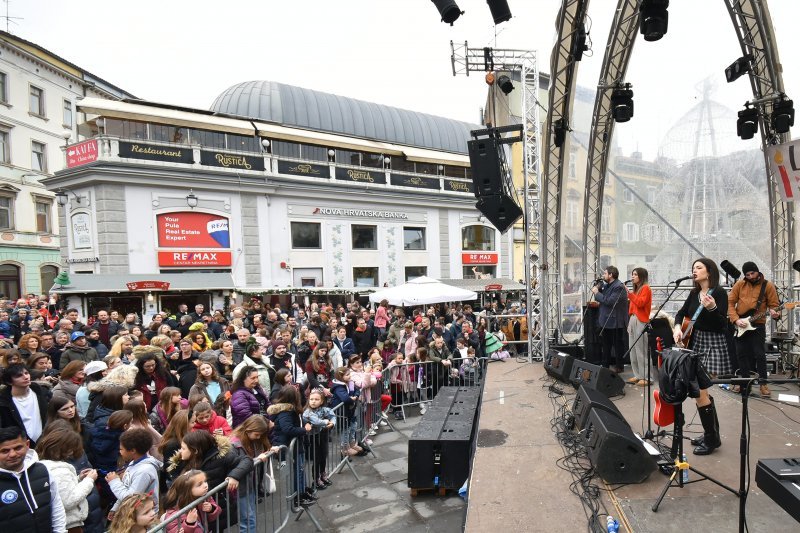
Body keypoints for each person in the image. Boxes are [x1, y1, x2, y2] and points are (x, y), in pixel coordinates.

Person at [672, 258, 727, 455]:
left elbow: (721, 324)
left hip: (712, 344)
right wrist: (678, 328)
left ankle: (711, 439)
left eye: (699, 267)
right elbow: (680, 314)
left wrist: (712, 308)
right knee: (702, 392)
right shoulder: (694, 293)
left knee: (699, 391)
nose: (694, 270)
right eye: (693, 267)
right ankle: (712, 435)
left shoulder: (719, 293)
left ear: (709, 272)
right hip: (695, 341)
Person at [165, 430, 253, 528]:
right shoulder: (179, 464)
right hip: (192, 516)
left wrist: (234, 476)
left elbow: (246, 460)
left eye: (183, 448)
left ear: (195, 451)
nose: (180, 451)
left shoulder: (219, 457)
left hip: (216, 511)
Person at [0, 426, 68, 532]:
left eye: (18, 448)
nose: (12, 454)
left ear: (27, 445)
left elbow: (56, 505)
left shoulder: (42, 471)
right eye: (5, 451)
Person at [728, 261, 780, 398]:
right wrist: (736, 319)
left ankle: (763, 384)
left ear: (757, 271)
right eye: (747, 274)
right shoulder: (739, 284)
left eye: (753, 273)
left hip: (758, 325)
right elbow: (730, 303)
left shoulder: (767, 285)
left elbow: (774, 305)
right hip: (741, 325)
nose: (751, 276)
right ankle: (745, 384)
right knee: (741, 355)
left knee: (759, 354)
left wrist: (775, 313)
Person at [36, 428, 98, 533]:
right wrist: (89, 480)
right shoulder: (60, 471)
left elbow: (60, 491)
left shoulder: (43, 466)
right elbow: (68, 500)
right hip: (69, 525)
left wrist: (78, 478)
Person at [266, 385, 314, 506]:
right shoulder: (285, 412)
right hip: (290, 446)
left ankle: (302, 491)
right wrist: (304, 430)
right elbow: (288, 429)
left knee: (301, 469)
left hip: (295, 444)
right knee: (298, 471)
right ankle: (298, 497)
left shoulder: (290, 410)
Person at [107, 428, 162, 515]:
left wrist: (114, 482)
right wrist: (116, 508)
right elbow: (127, 487)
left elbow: (130, 498)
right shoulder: (133, 463)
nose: (120, 452)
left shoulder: (144, 471)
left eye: (121, 449)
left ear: (133, 451)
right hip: (133, 515)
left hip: (144, 517)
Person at [591, 265, 629, 373]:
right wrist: (598, 289)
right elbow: (601, 298)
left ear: (611, 275)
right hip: (606, 321)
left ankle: (619, 367)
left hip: (615, 321)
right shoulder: (607, 285)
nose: (603, 275)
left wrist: (597, 293)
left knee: (617, 346)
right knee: (606, 345)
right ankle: (605, 366)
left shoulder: (618, 286)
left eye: (605, 273)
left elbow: (609, 301)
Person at [0, 364, 49, 447]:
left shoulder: (40, 392)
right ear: (9, 382)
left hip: (44, 441)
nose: (26, 377)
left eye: (26, 373)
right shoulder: (3, 402)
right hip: (19, 445)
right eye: (19, 376)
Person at [161, 469, 221, 533]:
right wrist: (189, 523)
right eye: (199, 485)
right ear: (187, 490)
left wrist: (211, 509)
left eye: (205, 481)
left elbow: (216, 514)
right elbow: (173, 530)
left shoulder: (205, 497)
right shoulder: (174, 512)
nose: (205, 485)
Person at [303, 388, 335, 489]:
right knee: (316, 459)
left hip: (322, 435)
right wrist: (326, 422)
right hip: (312, 438)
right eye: (311, 399)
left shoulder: (323, 409)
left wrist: (333, 422)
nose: (313, 401)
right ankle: (316, 479)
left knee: (323, 455)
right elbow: (316, 421)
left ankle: (323, 474)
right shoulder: (307, 412)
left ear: (321, 401)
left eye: (316, 399)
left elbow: (332, 414)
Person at [627, 267, 653, 386]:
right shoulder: (636, 290)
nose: (632, 277)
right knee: (633, 349)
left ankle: (647, 377)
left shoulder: (646, 288)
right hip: (633, 319)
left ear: (641, 276)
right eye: (632, 274)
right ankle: (638, 375)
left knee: (641, 350)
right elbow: (633, 307)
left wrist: (629, 294)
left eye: (635, 275)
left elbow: (641, 303)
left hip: (641, 321)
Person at [329, 366, 363, 457]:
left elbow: (357, 390)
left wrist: (355, 396)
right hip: (342, 413)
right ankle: (345, 448)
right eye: (347, 375)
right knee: (345, 430)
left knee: (352, 427)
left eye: (349, 374)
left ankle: (352, 444)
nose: (350, 376)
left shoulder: (349, 383)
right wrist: (351, 399)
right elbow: (345, 399)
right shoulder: (338, 387)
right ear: (340, 377)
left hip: (350, 411)